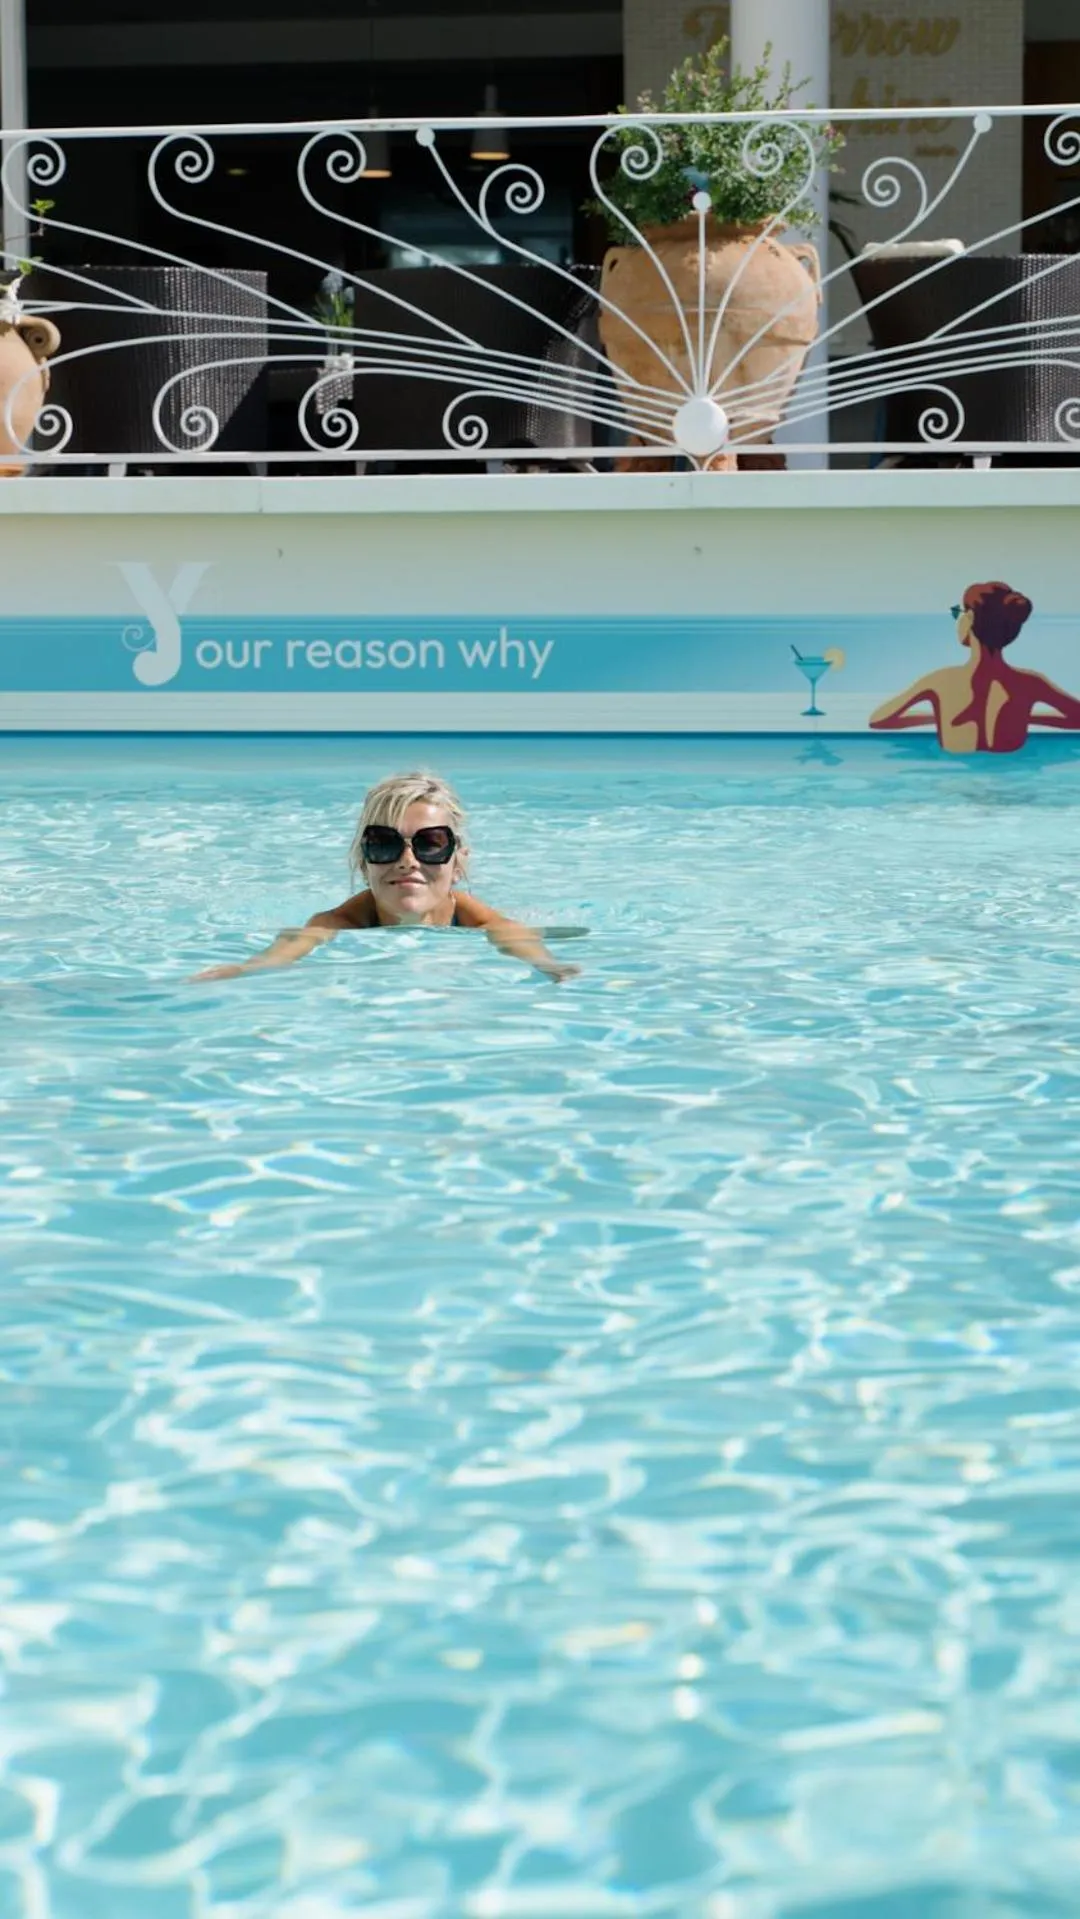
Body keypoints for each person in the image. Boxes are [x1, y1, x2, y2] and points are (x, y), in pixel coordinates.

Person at [193, 771, 581, 983]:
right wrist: (247, 970)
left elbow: (509, 934)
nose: (407, 861)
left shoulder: (476, 919)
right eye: (384, 844)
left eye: (430, 843)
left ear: (458, 862)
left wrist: (548, 965)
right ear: (364, 862)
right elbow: (293, 946)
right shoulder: (339, 922)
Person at [869, 581, 1080, 753]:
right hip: (1013, 784)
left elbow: (879, 720)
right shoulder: (1030, 683)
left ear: (969, 618)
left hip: (955, 787)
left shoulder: (940, 681)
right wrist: (1027, 718)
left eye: (958, 614)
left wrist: (936, 718)